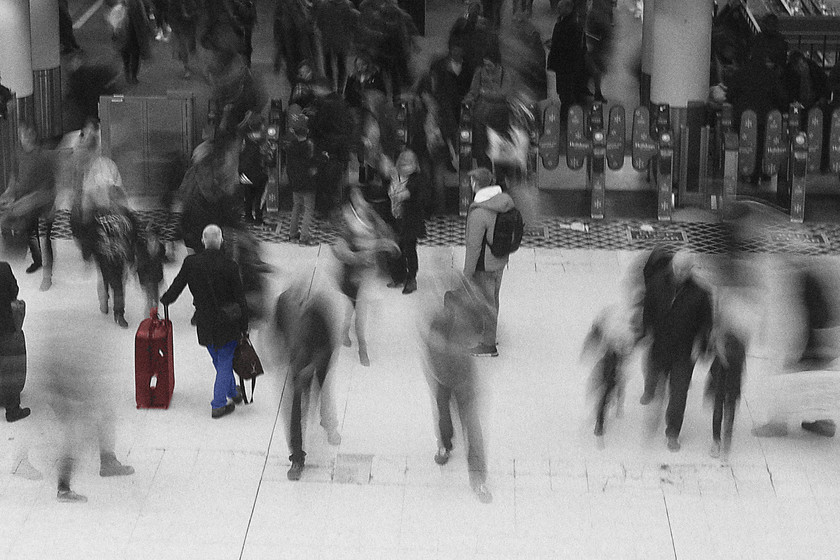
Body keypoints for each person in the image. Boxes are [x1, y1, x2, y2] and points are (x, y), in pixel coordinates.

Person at [160, 225, 249, 418]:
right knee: (224, 359)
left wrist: (166, 299)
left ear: (202, 241)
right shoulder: (230, 265)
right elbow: (240, 299)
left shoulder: (191, 263)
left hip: (204, 321)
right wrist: (244, 325)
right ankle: (218, 404)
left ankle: (233, 392)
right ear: (221, 241)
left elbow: (177, 285)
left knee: (219, 359)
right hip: (227, 323)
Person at [423, 284, 492, 503]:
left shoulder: (465, 324)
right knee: (444, 416)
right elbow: (432, 352)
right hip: (444, 380)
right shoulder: (438, 325)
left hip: (463, 383)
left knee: (472, 427)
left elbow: (479, 332)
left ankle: (478, 477)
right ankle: (445, 445)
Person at [641, 250, 714, 452]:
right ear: (672, 266)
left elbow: (706, 324)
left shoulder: (700, 293)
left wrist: (702, 347)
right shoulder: (657, 284)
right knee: (656, 385)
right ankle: (652, 404)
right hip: (659, 348)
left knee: (679, 393)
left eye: (685, 269)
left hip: (684, 352)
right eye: (677, 268)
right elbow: (647, 311)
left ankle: (672, 431)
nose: (680, 273)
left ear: (691, 270)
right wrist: (646, 333)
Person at [274, 285, 342, 480]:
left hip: (319, 356)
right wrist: (285, 359)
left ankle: (329, 424)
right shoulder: (282, 306)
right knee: (295, 408)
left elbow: (328, 345)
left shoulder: (318, 313)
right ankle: (297, 456)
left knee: (323, 392)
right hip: (297, 360)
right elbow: (278, 334)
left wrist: (311, 367)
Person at [332, 187, 399, 366]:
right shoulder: (347, 221)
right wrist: (378, 246)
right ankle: (362, 348)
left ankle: (347, 333)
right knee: (358, 309)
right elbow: (341, 248)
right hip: (353, 273)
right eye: (355, 197)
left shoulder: (370, 216)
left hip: (367, 270)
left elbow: (379, 235)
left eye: (360, 196)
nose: (360, 200)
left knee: (356, 306)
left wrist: (384, 242)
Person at [463, 167, 515, 358]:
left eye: (472, 181)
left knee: (486, 302)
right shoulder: (503, 202)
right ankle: (489, 334)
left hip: (484, 265)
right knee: (493, 299)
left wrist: (467, 273)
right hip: (499, 260)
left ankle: (488, 344)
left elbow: (473, 247)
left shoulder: (479, 212)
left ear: (476, 184)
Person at [0, 123, 57, 291]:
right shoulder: (18, 155)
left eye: (24, 134)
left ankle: (48, 275)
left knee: (45, 239)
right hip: (28, 203)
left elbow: (48, 187)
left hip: (43, 202)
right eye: (20, 135)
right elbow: (14, 178)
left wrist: (22, 204)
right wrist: (8, 194)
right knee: (32, 234)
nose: (22, 138)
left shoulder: (44, 157)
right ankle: (37, 261)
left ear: (32, 135)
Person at [88, 181, 138, 328]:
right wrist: (91, 251)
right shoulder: (100, 214)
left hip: (119, 255)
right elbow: (92, 234)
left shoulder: (127, 215)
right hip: (104, 255)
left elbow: (134, 234)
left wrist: (132, 252)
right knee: (108, 280)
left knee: (117, 284)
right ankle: (105, 300)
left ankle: (119, 312)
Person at [385, 149, 427, 294]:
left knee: (409, 250)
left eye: (409, 163)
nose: (405, 166)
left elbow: (417, 194)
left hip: (410, 221)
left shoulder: (417, 179)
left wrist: (406, 195)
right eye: (403, 163)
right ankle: (399, 276)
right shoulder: (394, 176)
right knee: (397, 249)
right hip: (396, 219)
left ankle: (411, 278)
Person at [705, 322, 746, 460]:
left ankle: (723, 442)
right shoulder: (721, 333)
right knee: (720, 409)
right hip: (721, 377)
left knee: (728, 409)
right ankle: (717, 441)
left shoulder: (739, 340)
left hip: (732, 376)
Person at [547, 0, 589, 117]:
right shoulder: (566, 22)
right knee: (563, 90)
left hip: (566, 64)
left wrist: (554, 45)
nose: (558, 10)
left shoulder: (571, 25)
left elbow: (571, 45)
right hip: (564, 64)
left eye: (560, 8)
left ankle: (567, 115)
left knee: (565, 91)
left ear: (568, 9)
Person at [0, 262, 29, 423]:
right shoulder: (3, 268)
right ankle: (12, 410)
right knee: (10, 366)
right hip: (5, 326)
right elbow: (14, 291)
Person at [284, 113, 318, 245]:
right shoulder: (309, 146)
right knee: (308, 209)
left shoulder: (291, 146)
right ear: (307, 131)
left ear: (293, 131)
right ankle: (304, 236)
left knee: (296, 207)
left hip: (295, 183)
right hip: (308, 183)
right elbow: (313, 165)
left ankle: (292, 234)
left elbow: (289, 166)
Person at [239, 117, 270, 224]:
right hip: (259, 173)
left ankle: (248, 216)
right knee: (260, 197)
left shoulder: (245, 139)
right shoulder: (263, 141)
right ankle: (258, 218)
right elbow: (267, 158)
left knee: (248, 196)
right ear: (261, 127)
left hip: (245, 173)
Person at [136, 222, 167, 313]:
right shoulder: (141, 245)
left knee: (155, 296)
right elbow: (140, 261)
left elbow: (161, 258)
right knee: (150, 296)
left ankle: (153, 314)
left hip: (156, 275)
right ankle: (151, 315)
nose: (151, 236)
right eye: (149, 234)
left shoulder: (161, 246)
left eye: (153, 234)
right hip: (146, 274)